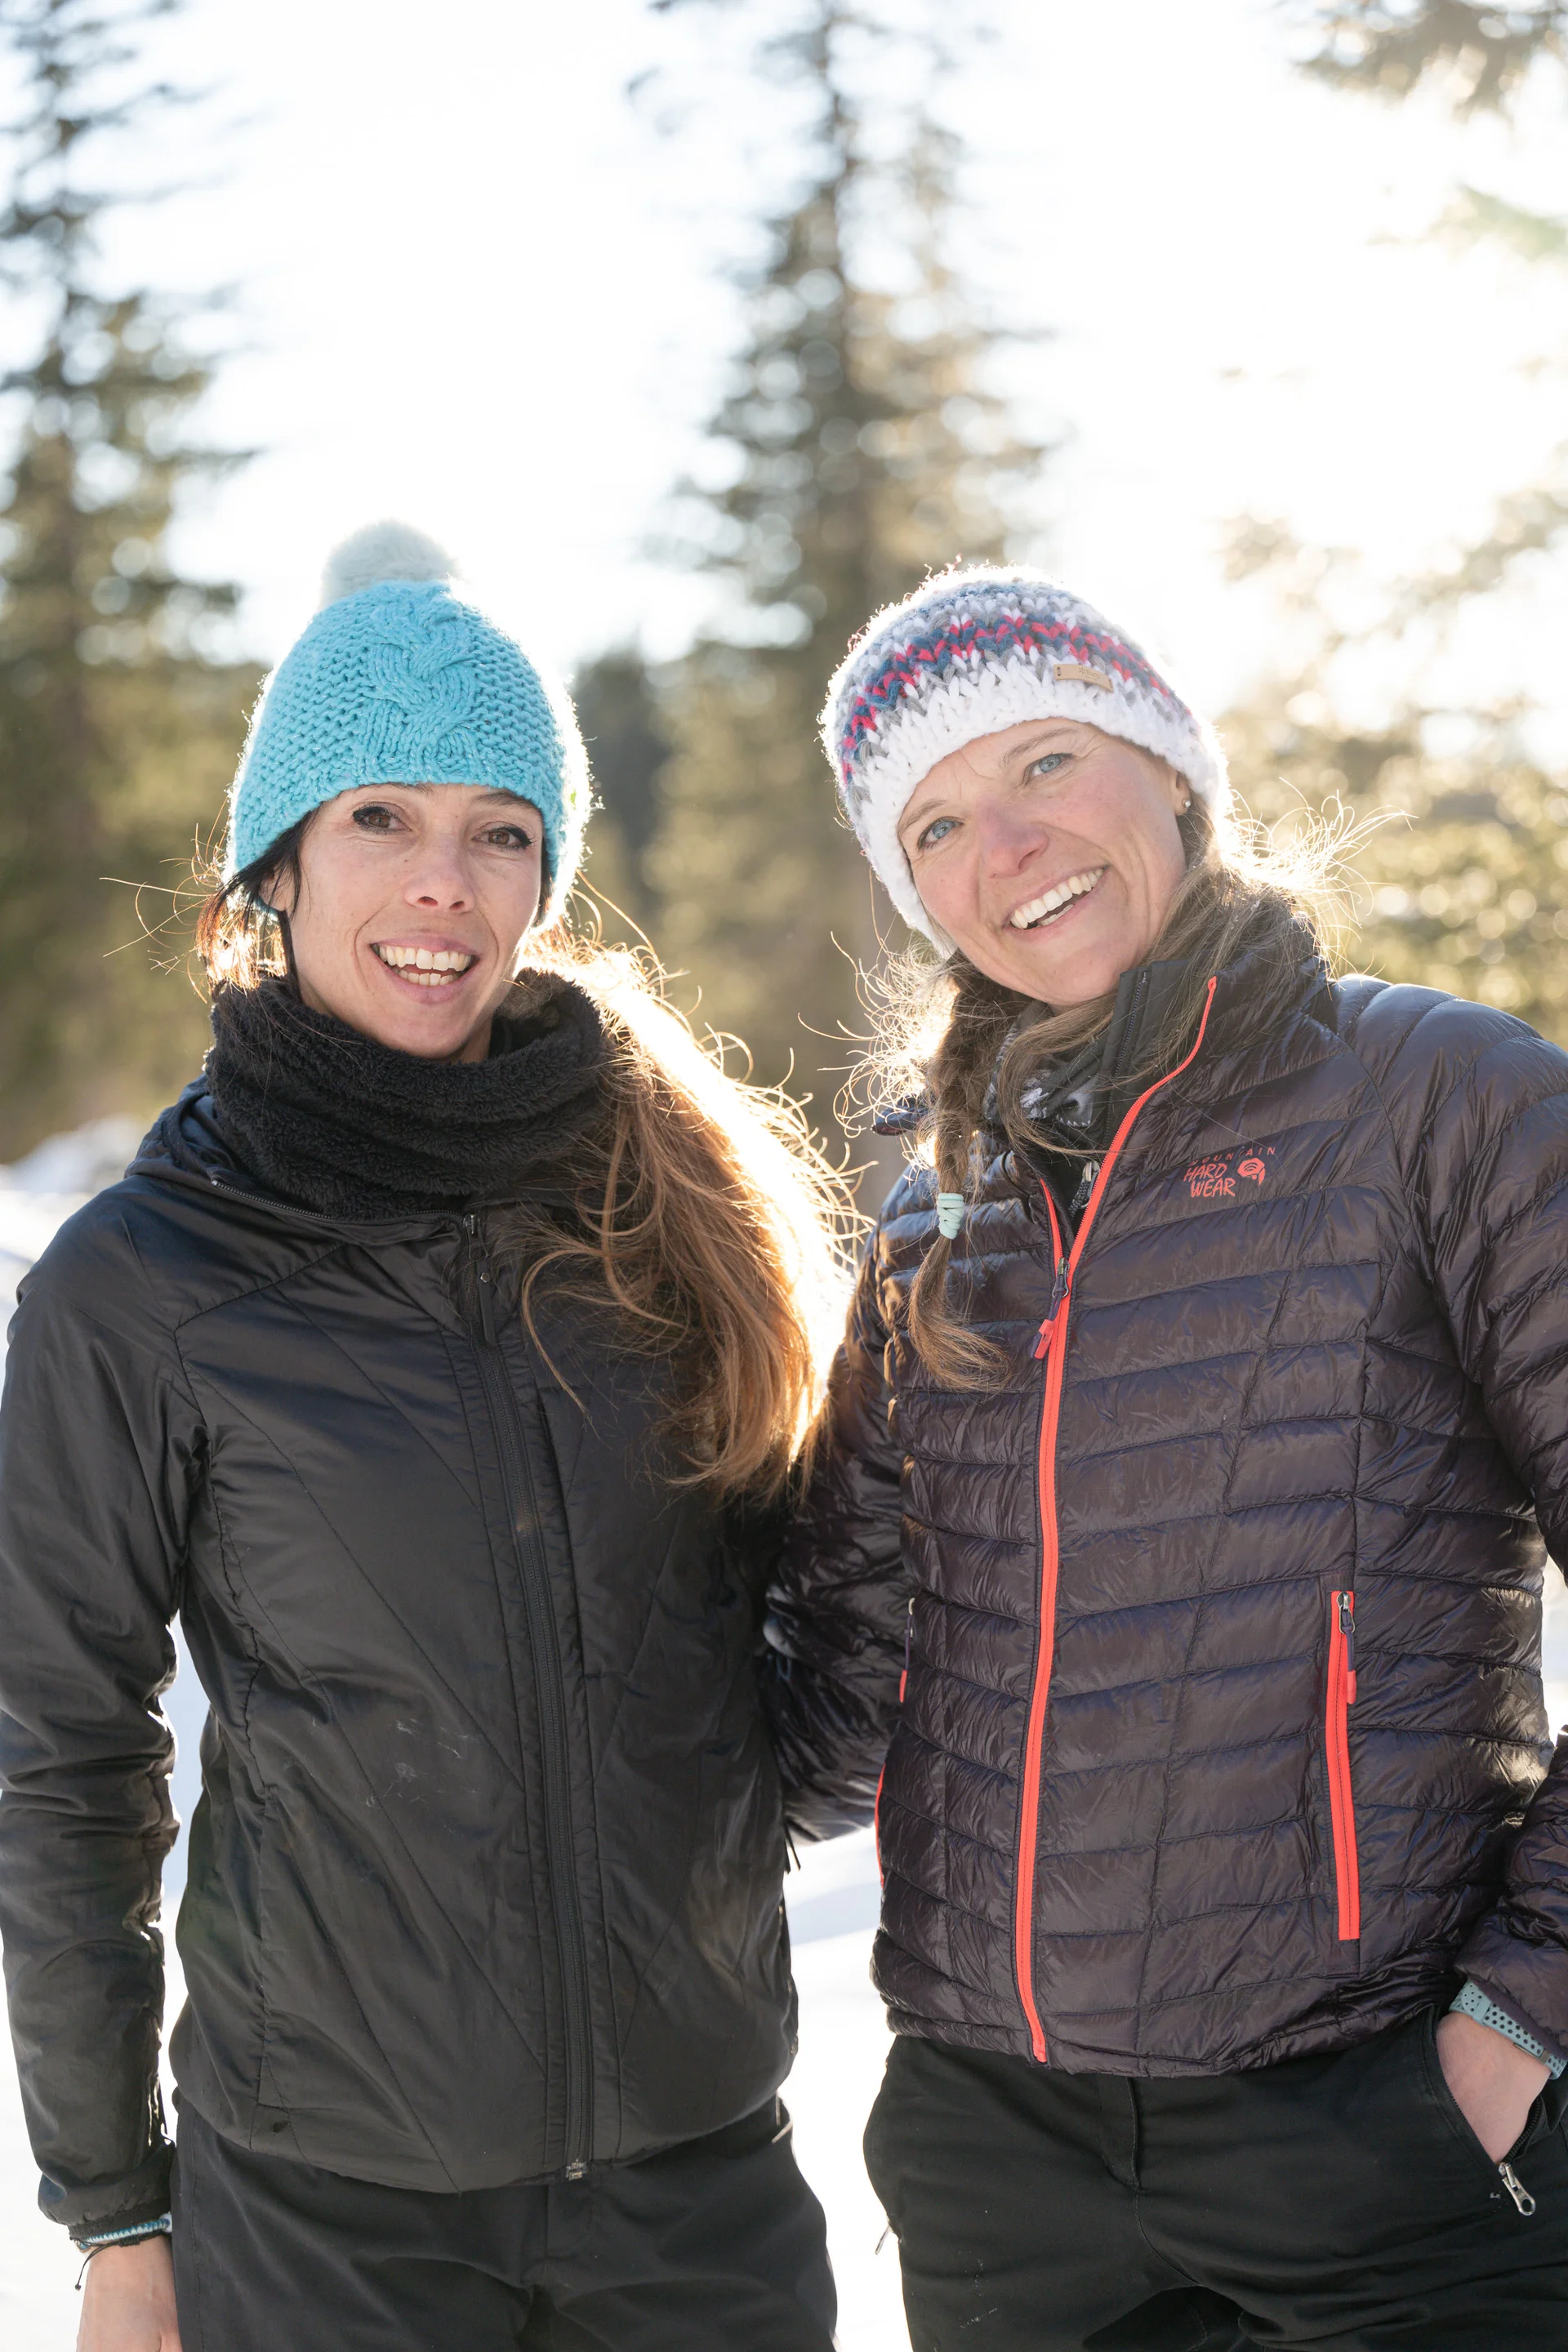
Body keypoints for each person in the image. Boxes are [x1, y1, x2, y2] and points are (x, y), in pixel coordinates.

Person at [0, 523, 849, 2352]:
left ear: (547, 877)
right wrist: (115, 2209)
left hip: (698, 2193)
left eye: (499, 830)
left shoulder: (664, 1211)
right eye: (380, 817)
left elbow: (803, 1617)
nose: (441, 883)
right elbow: (59, 1755)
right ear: (278, 863)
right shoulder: (142, 1280)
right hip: (332, 2225)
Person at [762, 566, 1568, 2350]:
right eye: (937, 824)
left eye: (1046, 761)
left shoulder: (1439, 1098)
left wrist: (1521, 2014)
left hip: (1381, 2135)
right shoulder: (933, 1224)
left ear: (1175, 773)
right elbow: (824, 1694)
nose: (1009, 847)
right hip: (1001, 2160)